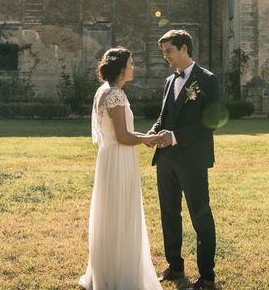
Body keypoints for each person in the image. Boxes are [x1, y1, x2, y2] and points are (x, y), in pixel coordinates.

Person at [79, 47, 163, 290]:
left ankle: (108, 270)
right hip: (118, 158)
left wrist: (144, 136)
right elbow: (123, 137)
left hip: (111, 157)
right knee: (121, 213)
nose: (133, 67)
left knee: (112, 213)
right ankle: (120, 276)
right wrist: (147, 139)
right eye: (131, 63)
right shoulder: (115, 95)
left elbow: (121, 134)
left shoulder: (103, 91)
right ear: (121, 68)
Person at [147, 30, 221, 290]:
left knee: (200, 216)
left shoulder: (208, 80)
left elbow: (210, 123)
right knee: (169, 213)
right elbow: (163, 116)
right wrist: (154, 133)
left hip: (193, 159)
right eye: (164, 51)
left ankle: (207, 276)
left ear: (184, 49)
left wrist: (175, 136)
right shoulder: (169, 81)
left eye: (168, 51)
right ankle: (175, 266)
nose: (165, 56)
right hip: (166, 159)